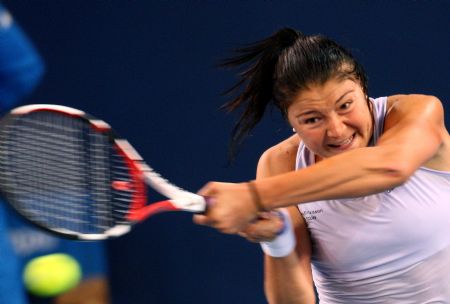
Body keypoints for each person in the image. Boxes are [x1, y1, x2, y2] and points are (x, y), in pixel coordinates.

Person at [194, 28, 450, 302]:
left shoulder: (416, 112)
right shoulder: (280, 164)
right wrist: (276, 241)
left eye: (345, 105)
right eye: (312, 119)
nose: (337, 131)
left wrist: (255, 195)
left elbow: (391, 167)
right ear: (290, 121)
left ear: (363, 87)